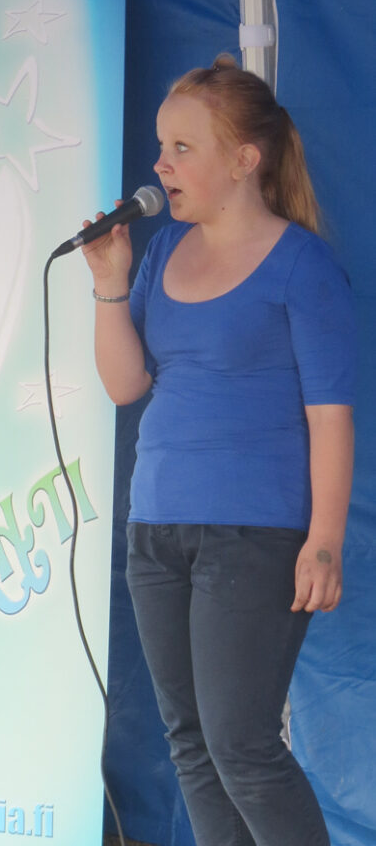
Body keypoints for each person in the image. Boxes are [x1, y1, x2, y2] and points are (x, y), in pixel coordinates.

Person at [81, 54, 356, 846]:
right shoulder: (163, 251)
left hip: (252, 534)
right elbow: (125, 384)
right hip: (156, 527)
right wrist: (109, 282)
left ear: (243, 160)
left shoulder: (301, 264)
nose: (160, 165)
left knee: (241, 747)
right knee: (191, 745)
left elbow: (330, 417)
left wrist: (324, 541)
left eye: (181, 148)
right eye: (160, 146)